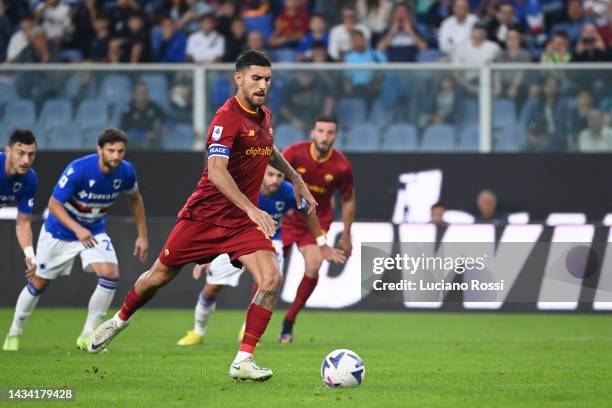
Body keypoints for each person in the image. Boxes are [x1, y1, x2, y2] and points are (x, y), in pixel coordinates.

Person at [86, 50, 317, 382]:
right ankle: (119, 319)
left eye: (267, 79)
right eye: (256, 78)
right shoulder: (226, 118)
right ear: (238, 78)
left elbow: (268, 150)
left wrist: (296, 178)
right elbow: (216, 171)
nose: (263, 84)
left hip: (239, 223)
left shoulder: (265, 115)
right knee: (158, 278)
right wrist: (252, 207)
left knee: (271, 279)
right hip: (204, 218)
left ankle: (243, 359)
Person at [3, 128, 148, 352]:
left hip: (93, 231)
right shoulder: (79, 169)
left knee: (110, 275)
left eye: (121, 151)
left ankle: (88, 335)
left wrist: (143, 235)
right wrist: (77, 229)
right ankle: (14, 332)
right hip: (59, 231)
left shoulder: (126, 172)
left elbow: (135, 199)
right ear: (100, 149)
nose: (116, 156)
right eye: (111, 150)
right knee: (39, 282)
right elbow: (53, 205)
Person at [176, 165, 345, 346]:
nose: (275, 180)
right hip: (236, 237)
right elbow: (220, 215)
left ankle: (248, 329)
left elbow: (308, 213)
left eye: (280, 175)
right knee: (212, 288)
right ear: (261, 174)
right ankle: (198, 331)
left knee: (267, 282)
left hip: (271, 240)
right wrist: (210, 252)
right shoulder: (246, 188)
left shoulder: (287, 191)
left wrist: (321, 242)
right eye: (270, 175)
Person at [279, 115, 355, 343]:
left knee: (314, 265)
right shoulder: (294, 153)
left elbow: (348, 200)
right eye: (321, 131)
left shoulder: (341, 165)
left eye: (330, 132)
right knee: (270, 271)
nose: (324, 136)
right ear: (312, 132)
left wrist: (347, 235)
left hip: (316, 222)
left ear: (336, 136)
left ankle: (289, 321)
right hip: (287, 219)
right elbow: (270, 180)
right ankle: (251, 320)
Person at [0, 129, 38, 350]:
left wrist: (29, 255)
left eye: (31, 154)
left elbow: (23, 222)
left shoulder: (29, 180)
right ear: (7, 151)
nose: (26, 160)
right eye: (20, 153)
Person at [120, 83, 167, 149]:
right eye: (139, 93)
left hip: (152, 140)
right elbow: (123, 131)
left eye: (145, 93)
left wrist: (165, 127)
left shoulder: (153, 106)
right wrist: (143, 135)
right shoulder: (128, 108)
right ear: (134, 94)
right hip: (133, 141)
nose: (142, 95)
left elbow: (167, 119)